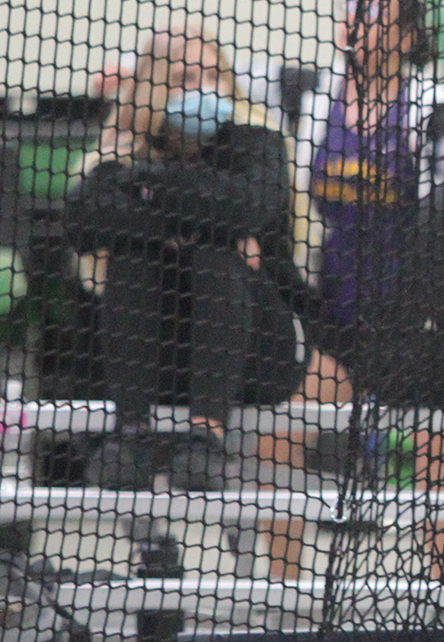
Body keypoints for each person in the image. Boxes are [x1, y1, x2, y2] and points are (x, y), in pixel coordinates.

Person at [287, 0, 444, 582]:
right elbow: (218, 75)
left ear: (409, 35)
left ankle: (440, 587)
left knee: (436, 443)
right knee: (282, 427)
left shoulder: (436, 105)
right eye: (352, 8)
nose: (358, 18)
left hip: (412, 303)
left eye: (375, 11)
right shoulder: (310, 94)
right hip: (332, 300)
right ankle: (275, 590)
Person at [63, 25, 345, 494]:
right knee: (137, 257)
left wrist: (147, 188)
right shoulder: (118, 145)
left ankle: (207, 436)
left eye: (213, 74)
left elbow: (246, 208)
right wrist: (194, 217)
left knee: (211, 254)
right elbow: (83, 225)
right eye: (185, 77)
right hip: (157, 354)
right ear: (154, 87)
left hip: (256, 350)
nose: (202, 88)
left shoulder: (259, 143)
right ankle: (132, 435)